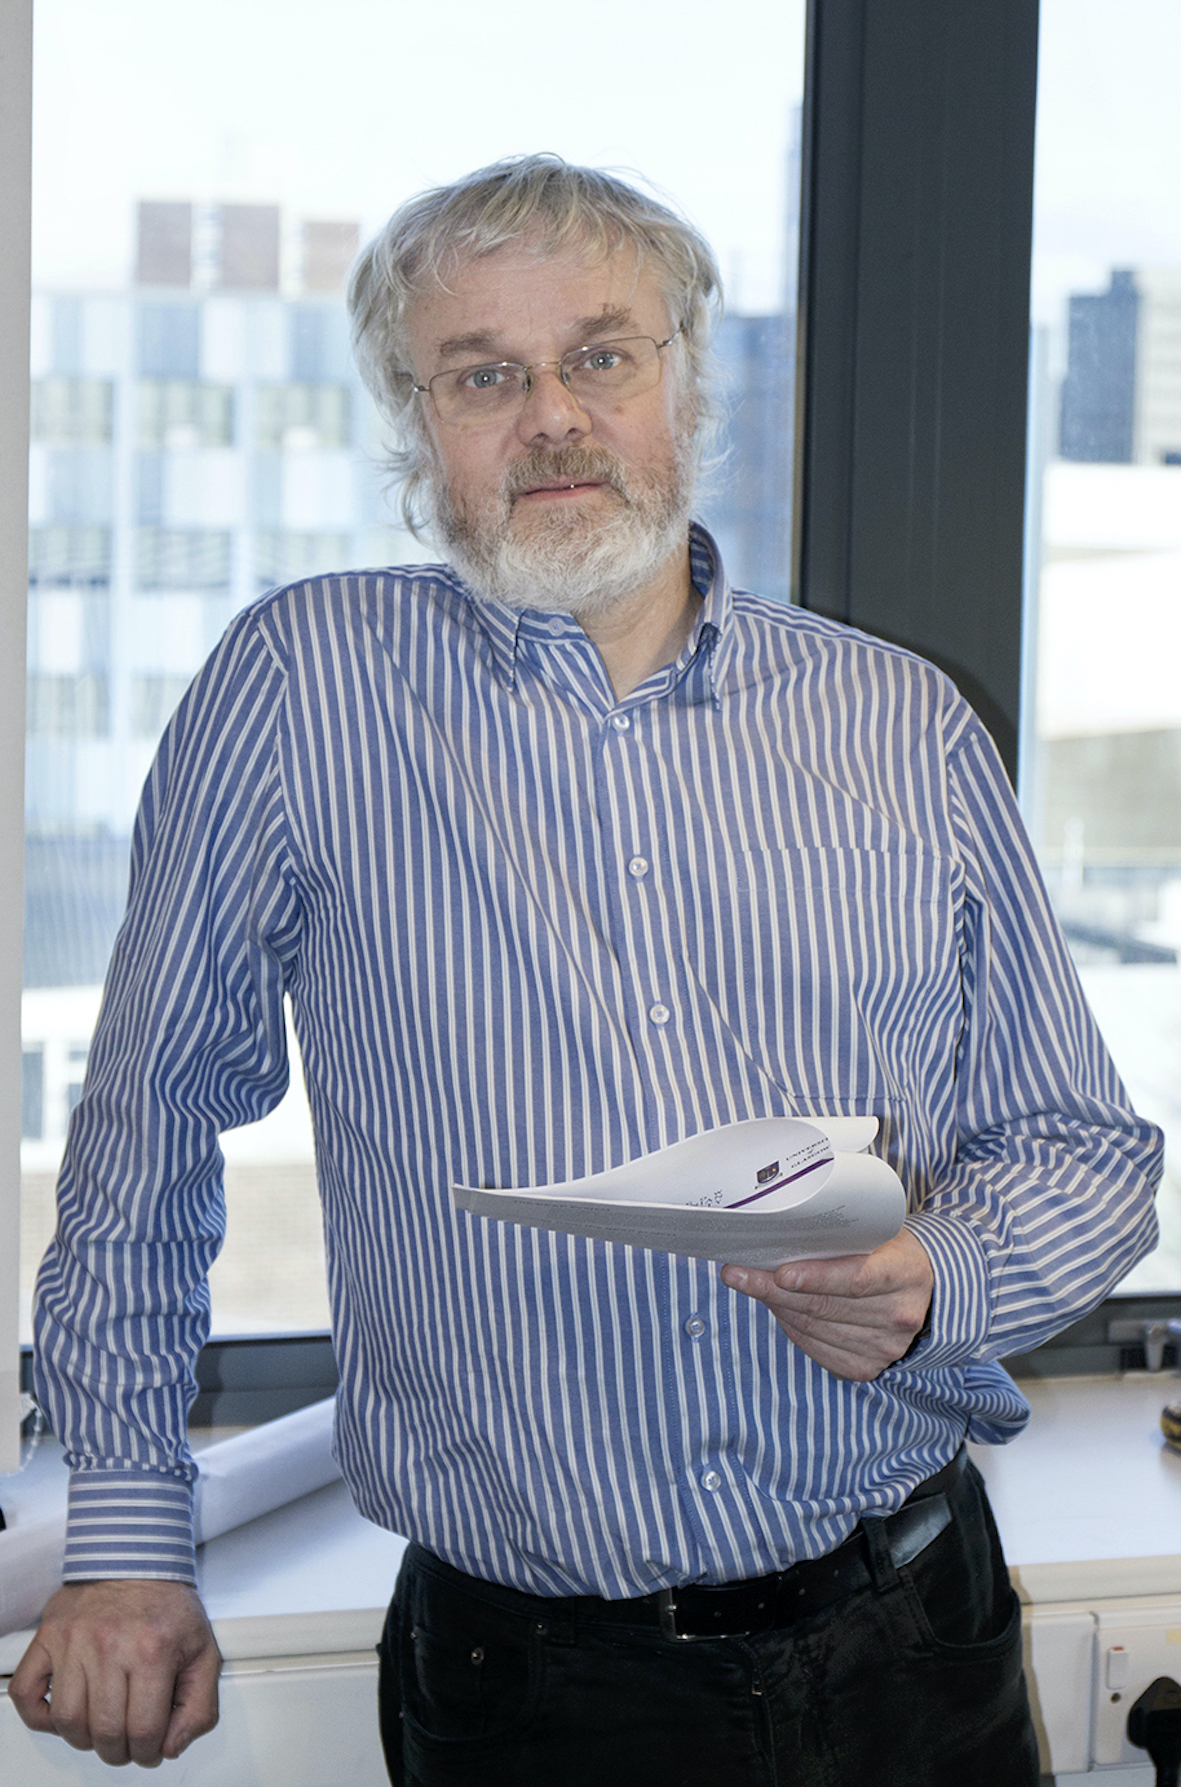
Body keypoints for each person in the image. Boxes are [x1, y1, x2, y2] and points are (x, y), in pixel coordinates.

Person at [11, 155, 1161, 1785]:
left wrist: (935, 1281)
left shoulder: (898, 722)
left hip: (915, 1638)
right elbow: (146, 1128)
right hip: (539, 1694)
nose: (552, 416)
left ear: (686, 384)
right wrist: (129, 1539)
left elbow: (1082, 1149)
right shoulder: (302, 689)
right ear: (416, 428)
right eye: (483, 375)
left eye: (601, 356)